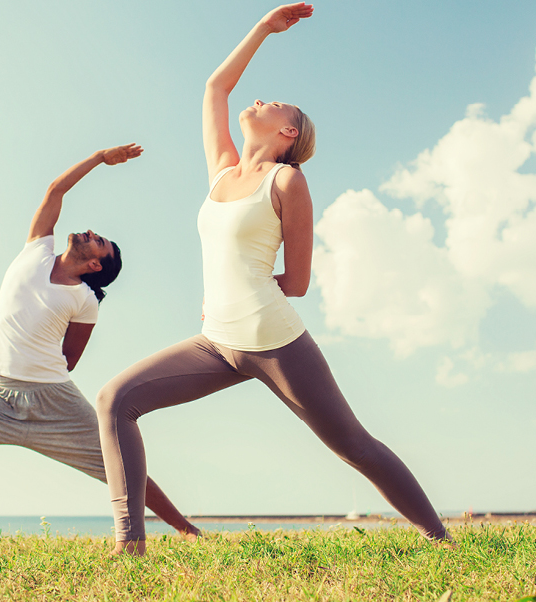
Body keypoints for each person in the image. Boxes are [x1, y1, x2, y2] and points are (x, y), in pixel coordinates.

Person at [96, 4, 451, 556]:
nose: (256, 99)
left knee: (352, 445)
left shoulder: (286, 181)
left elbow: (300, 281)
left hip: (274, 341)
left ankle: (440, 538)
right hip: (215, 342)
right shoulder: (223, 171)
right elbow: (216, 87)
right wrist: (263, 28)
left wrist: (248, 292)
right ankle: (129, 543)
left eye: (273, 102)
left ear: (288, 131)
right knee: (115, 399)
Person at [0, 143, 201, 542]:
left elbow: (69, 358)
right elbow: (55, 191)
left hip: (55, 403)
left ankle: (186, 529)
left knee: (119, 465)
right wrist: (99, 158)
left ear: (94, 266)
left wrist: (23, 355)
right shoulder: (35, 251)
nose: (90, 233)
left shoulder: (85, 301)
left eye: (98, 242)